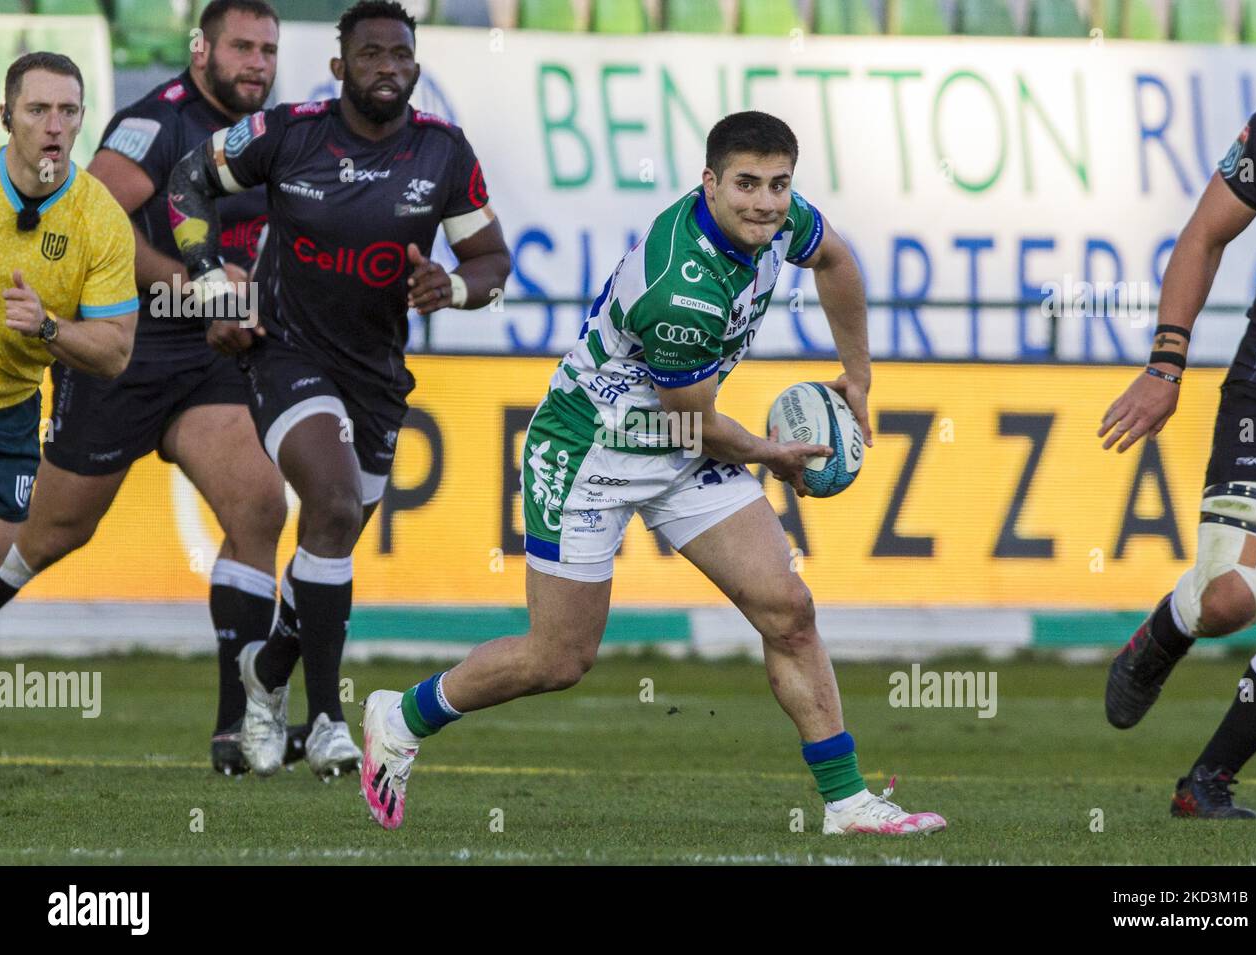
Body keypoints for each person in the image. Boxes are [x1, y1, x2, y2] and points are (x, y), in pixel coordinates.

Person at [359, 111, 947, 837]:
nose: (765, 202)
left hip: (677, 438)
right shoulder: (681, 287)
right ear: (709, 182)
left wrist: (858, 378)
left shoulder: (783, 221)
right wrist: (773, 454)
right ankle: (402, 714)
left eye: (779, 184)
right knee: (559, 656)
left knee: (787, 608)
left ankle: (847, 800)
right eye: (747, 185)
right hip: (590, 450)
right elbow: (693, 424)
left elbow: (839, 263)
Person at [167, 0, 511, 778]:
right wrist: (205, 279)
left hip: (378, 376)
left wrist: (451, 289)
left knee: (332, 535)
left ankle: (268, 667)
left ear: (416, 69)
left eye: (399, 56)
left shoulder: (444, 154)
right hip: (283, 351)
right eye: (370, 55)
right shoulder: (288, 132)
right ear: (338, 67)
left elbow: (492, 260)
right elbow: (189, 180)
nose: (386, 68)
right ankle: (326, 717)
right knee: (327, 502)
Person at [0, 0, 304, 777]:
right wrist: (190, 282)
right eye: (241, 46)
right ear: (200, 50)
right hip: (123, 352)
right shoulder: (155, 124)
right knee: (50, 535)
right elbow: (88, 213)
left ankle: (238, 732)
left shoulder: (273, 137)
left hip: (207, 359)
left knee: (260, 504)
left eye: (268, 49)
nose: (256, 64)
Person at [1100, 96, 1256, 819]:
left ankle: (1205, 782)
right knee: (1235, 595)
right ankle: (1166, 631)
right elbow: (1201, 237)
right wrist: (1164, 366)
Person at [0, 52, 137, 577]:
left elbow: (115, 352)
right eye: (36, 110)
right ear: (5, 116)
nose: (55, 127)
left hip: (10, 412)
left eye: (69, 111)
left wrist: (47, 326)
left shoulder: (99, 219)